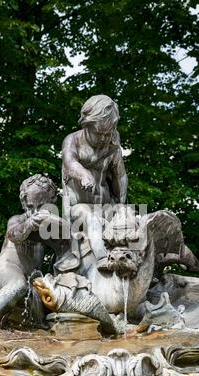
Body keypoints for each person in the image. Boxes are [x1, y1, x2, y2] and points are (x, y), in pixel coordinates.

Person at [60, 95, 128, 271]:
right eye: (99, 133)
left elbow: (120, 175)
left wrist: (121, 203)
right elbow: (69, 162)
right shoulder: (72, 140)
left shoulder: (113, 145)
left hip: (105, 205)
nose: (104, 138)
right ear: (86, 124)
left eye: (108, 133)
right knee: (92, 219)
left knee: (131, 219)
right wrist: (83, 174)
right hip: (79, 208)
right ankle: (102, 259)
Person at [0, 174, 58, 329]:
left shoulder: (50, 228)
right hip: (7, 269)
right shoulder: (18, 220)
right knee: (18, 285)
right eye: (31, 207)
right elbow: (14, 235)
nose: (35, 211)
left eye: (42, 207)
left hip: (29, 278)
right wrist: (29, 224)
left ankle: (4, 300)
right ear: (24, 203)